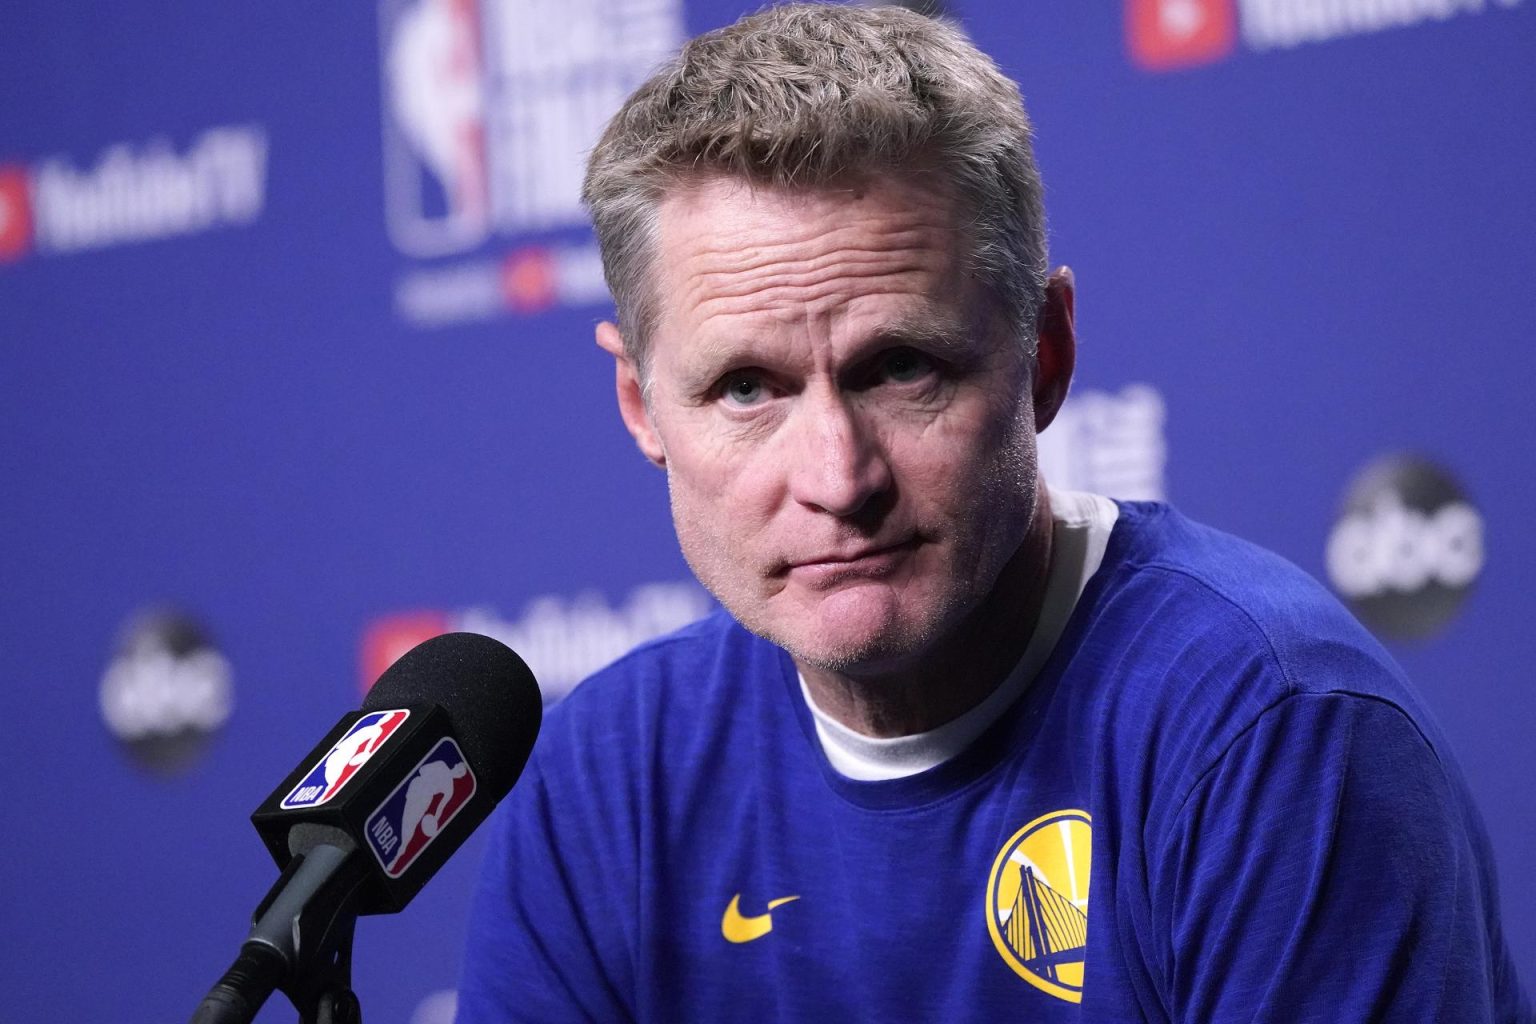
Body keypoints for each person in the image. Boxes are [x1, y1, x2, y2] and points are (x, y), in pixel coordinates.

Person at [458, 5, 1531, 1021]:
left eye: (901, 367)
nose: (837, 475)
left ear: (1045, 356)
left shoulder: (1268, 734)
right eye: (747, 388)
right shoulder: (605, 784)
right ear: (643, 407)